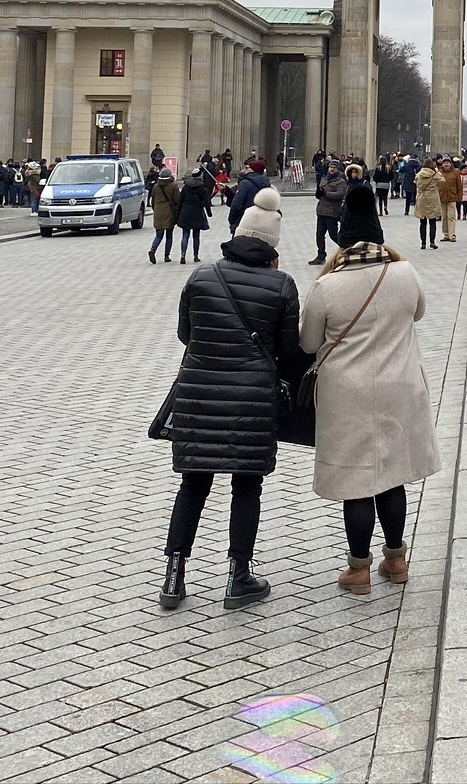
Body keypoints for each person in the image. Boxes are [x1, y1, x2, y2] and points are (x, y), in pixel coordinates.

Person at [157, 187, 301, 612]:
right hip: (252, 401)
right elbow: (289, 352)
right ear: (273, 245)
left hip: (198, 395)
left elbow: (186, 335)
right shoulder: (282, 285)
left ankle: (174, 574)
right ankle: (239, 577)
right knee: (246, 486)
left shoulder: (202, 276)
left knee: (193, 485)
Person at [302, 234, 442, 595]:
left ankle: (358, 570)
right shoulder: (406, 272)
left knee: (357, 481)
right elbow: (419, 313)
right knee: (392, 475)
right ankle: (396, 560)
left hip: (348, 394)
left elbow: (308, 343)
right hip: (399, 387)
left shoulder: (326, 286)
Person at [337, 165, 385, 248]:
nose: (353, 174)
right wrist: (342, 213)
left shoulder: (364, 184)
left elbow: (370, 201)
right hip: (349, 216)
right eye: (351, 172)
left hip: (364, 216)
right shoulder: (349, 184)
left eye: (355, 172)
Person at [177, 164, 215, 264]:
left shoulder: (186, 187)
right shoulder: (203, 188)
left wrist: (178, 214)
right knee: (196, 235)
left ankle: (183, 254)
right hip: (197, 212)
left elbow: (180, 201)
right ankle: (195, 255)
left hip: (186, 211)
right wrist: (209, 213)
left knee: (185, 234)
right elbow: (206, 202)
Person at [312, 163, 347, 265]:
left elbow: (340, 195)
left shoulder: (340, 181)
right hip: (321, 211)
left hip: (331, 212)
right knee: (319, 235)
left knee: (333, 235)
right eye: (330, 167)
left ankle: (346, 249)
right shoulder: (324, 179)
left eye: (334, 168)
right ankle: (321, 255)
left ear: (338, 169)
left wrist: (326, 193)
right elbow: (320, 194)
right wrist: (318, 193)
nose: (331, 169)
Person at [227, 158, 271, 233]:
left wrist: (232, 220)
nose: (245, 170)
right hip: (260, 222)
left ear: (253, 169)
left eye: (247, 168)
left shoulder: (245, 183)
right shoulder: (266, 182)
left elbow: (236, 204)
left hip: (244, 221)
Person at [148, 165, 182, 263]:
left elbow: (153, 201)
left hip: (158, 211)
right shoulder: (173, 186)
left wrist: (156, 209)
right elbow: (177, 200)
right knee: (169, 235)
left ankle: (152, 250)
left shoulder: (156, 186)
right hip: (169, 212)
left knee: (158, 235)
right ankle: (166, 256)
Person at [413, 158, 445, 250]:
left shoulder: (419, 174)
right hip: (432, 199)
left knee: (422, 222)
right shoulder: (435, 174)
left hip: (421, 199)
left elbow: (415, 182)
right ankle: (432, 242)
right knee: (432, 221)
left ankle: (423, 243)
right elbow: (443, 182)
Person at [438, 159, 462, 242]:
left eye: (447, 163)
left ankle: (452, 235)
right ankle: (446, 234)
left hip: (452, 198)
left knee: (451, 217)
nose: (446, 164)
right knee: (444, 217)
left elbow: (459, 186)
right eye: (444, 163)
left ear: (450, 164)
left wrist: (459, 197)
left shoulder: (455, 173)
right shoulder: (439, 173)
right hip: (442, 198)